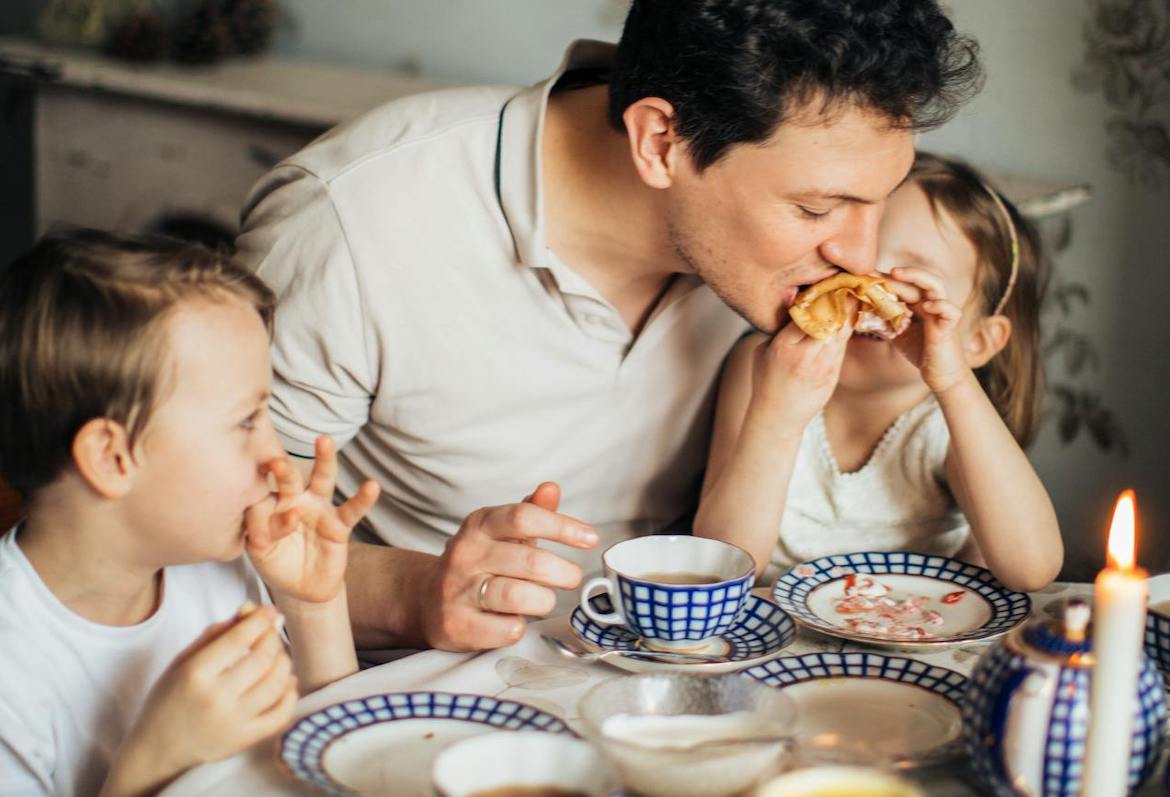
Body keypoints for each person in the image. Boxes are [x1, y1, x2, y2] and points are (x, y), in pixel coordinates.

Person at [235, 0, 984, 651]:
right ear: (660, 141)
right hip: (430, 697)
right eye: (817, 210)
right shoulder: (352, 222)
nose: (858, 253)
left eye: (879, 199)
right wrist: (418, 592)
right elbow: (218, 545)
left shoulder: (786, 254)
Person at [0, 229, 380, 797]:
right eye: (246, 421)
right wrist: (155, 761)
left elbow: (340, 765)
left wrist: (312, 606)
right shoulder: (12, 662)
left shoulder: (214, 565)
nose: (278, 458)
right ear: (112, 457)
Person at [694, 153, 1064, 592]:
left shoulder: (947, 421)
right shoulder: (765, 367)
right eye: (856, 266)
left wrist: (954, 381)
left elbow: (1033, 568)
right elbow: (719, 569)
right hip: (781, 638)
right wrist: (777, 417)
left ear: (977, 342)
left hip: (917, 636)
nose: (869, 292)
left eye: (911, 281)